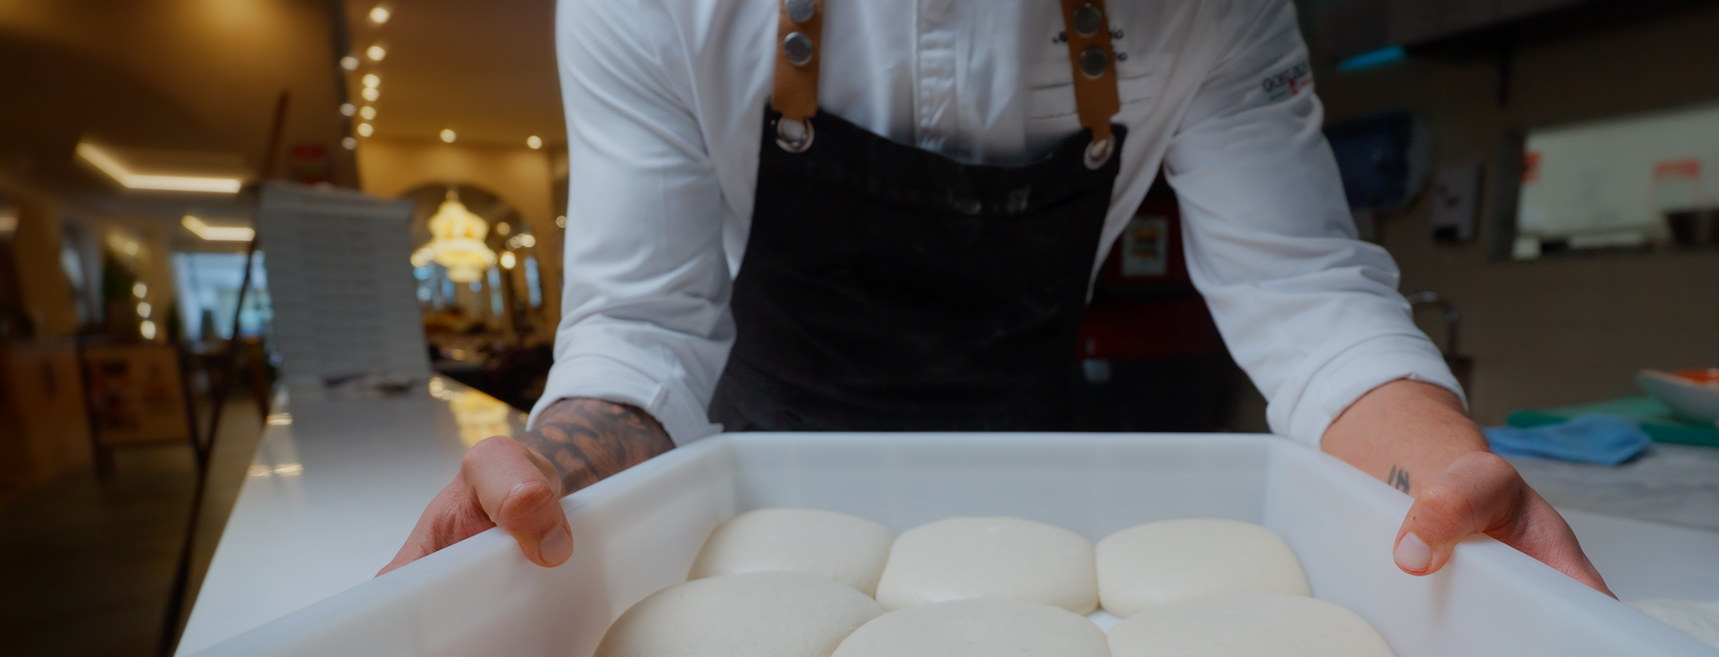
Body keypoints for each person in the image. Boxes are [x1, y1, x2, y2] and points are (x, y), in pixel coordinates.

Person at [385, 0, 1608, 594]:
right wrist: (546, 475)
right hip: (764, 496)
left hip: (1034, 489)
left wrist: (1446, 478)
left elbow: (1308, 296)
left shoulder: (1205, 10)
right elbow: (640, 330)